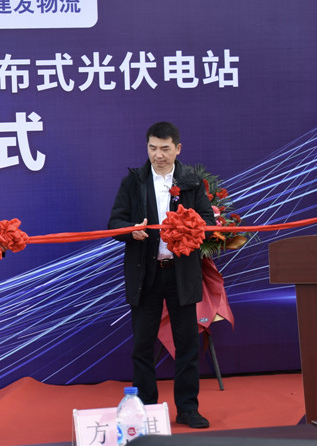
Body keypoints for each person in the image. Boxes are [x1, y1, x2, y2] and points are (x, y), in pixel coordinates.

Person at [108, 122, 215, 429]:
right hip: (146, 274)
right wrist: (131, 231)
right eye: (152, 148)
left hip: (181, 274)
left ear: (178, 149)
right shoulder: (134, 181)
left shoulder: (191, 182)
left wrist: (190, 229)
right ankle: (145, 410)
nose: (158, 155)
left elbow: (208, 223)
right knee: (143, 346)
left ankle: (188, 408)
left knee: (187, 345)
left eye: (165, 149)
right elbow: (115, 222)